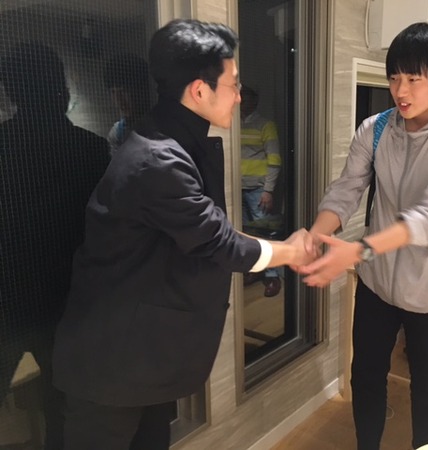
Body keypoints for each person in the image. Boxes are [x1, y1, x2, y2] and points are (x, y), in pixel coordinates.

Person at [51, 19, 313, 450]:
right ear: (199, 91)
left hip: (145, 352)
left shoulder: (174, 141)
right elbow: (216, 241)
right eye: (233, 84)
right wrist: (291, 251)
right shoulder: (158, 159)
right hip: (113, 358)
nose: (239, 95)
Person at [300, 23, 428, 449]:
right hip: (377, 282)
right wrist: (314, 237)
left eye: (414, 79)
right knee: (365, 374)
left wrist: (358, 250)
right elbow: (346, 190)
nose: (400, 91)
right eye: (394, 77)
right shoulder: (376, 129)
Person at [0, 42, 109, 450]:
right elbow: (103, 232)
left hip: (7, 298)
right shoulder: (90, 149)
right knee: (62, 404)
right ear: (61, 90)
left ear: (11, 92)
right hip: (66, 299)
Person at [240, 85, 283, 297]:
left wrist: (268, 190)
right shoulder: (233, 124)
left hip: (258, 189)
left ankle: (272, 275)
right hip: (237, 188)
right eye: (241, 98)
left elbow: (274, 160)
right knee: (246, 234)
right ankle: (254, 270)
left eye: (247, 98)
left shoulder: (265, 125)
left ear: (255, 101)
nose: (243, 102)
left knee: (265, 232)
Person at [102, 53, 152, 156]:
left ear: (140, 89)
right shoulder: (117, 132)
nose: (119, 99)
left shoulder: (163, 126)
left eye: (123, 91)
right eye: (113, 92)